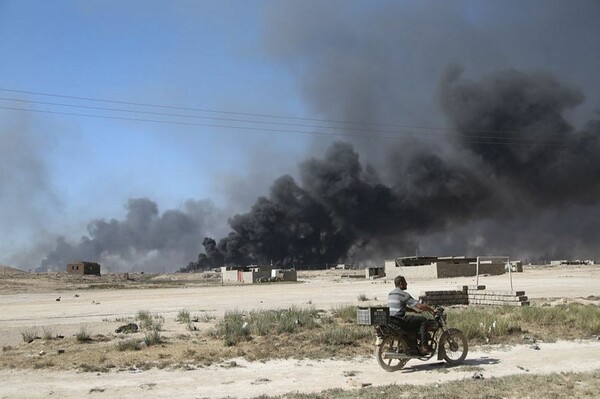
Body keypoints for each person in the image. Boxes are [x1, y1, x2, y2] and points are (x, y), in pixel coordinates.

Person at [387, 275, 435, 354]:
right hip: (399, 320)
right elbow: (419, 305)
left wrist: (413, 311)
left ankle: (413, 345)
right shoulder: (403, 294)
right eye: (405, 282)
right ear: (401, 283)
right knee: (423, 320)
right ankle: (424, 347)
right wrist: (431, 309)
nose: (407, 284)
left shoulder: (391, 294)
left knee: (414, 321)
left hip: (391, 320)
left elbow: (401, 307)